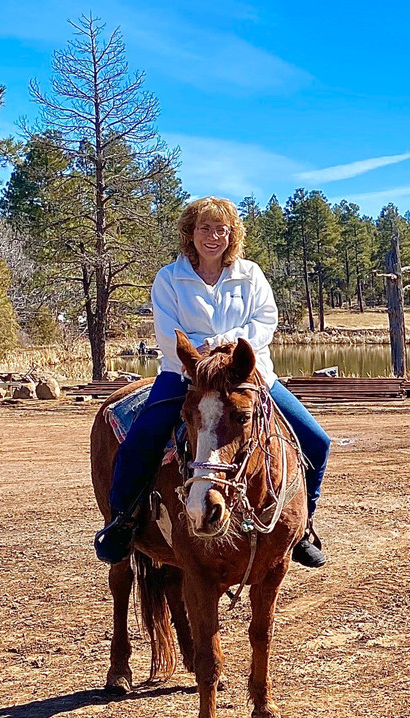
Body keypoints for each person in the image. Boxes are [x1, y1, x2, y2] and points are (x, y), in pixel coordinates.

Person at [95, 196, 330, 569]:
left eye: (221, 229)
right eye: (204, 228)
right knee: (142, 438)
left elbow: (265, 322)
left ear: (232, 234)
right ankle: (123, 521)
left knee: (316, 441)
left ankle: (303, 528)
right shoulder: (169, 278)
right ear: (190, 232)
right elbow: (167, 333)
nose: (213, 236)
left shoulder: (250, 274)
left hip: (247, 376)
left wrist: (227, 342)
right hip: (185, 374)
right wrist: (202, 354)